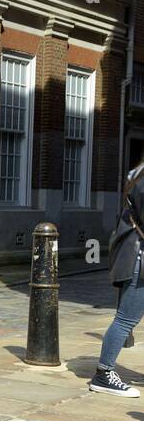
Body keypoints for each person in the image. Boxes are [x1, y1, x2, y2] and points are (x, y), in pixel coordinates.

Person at [93, 162, 144, 396]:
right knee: (125, 318)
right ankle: (104, 374)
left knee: (126, 318)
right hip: (138, 257)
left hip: (135, 252)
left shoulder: (140, 172)